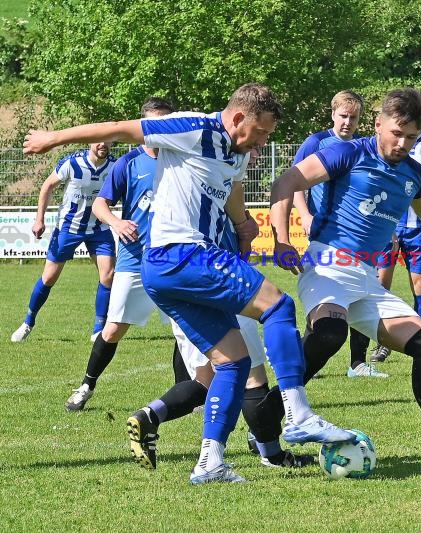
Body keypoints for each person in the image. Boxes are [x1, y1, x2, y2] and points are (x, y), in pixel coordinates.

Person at [23, 83, 353, 485]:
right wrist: (51, 139)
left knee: (232, 362)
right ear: (237, 118)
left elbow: (230, 192)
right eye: (262, 132)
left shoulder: (236, 152)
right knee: (279, 307)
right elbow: (120, 128)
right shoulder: (195, 127)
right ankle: (298, 414)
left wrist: (244, 225)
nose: (264, 141)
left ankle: (210, 463)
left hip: (166, 272)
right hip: (183, 253)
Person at [269, 87, 421, 471]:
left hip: (367, 278)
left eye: (412, 137)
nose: (402, 143)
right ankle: (267, 422)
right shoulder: (347, 152)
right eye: (396, 133)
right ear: (378, 123)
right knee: (329, 334)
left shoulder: (414, 174)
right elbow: (286, 183)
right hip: (328, 265)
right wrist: (282, 239)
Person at [126, 150, 314, 470]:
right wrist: (244, 228)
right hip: (220, 288)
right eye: (252, 147)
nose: (254, 155)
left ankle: (150, 416)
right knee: (251, 377)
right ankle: (271, 452)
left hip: (181, 287)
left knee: (207, 380)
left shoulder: (198, 190)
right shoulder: (211, 190)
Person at [64, 97, 176, 411]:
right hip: (134, 260)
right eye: (152, 124)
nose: (157, 130)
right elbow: (100, 204)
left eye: (164, 123)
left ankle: (189, 394)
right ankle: (86, 385)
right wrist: (116, 221)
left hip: (175, 260)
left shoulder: (183, 158)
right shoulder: (128, 163)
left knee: (185, 328)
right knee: (113, 328)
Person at [293, 89, 388, 379]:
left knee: (362, 292)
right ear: (332, 114)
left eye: (354, 117)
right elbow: (295, 182)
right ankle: (304, 356)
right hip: (326, 236)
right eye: (343, 116)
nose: (347, 122)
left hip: (360, 237)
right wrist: (305, 215)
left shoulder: (363, 147)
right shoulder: (317, 142)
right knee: (326, 296)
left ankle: (357, 363)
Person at [355, 112, 421, 363]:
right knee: (379, 286)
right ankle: (379, 346)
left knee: (420, 286)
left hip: (419, 228)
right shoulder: (388, 140)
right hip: (388, 225)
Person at [11, 142, 116, 343]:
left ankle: (98, 329)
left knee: (108, 275)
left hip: (99, 228)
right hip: (69, 228)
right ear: (90, 142)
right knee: (49, 277)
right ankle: (28, 322)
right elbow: (47, 186)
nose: (103, 144)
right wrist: (39, 219)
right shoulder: (72, 162)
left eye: (107, 139)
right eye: (98, 140)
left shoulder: (115, 166)